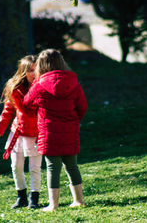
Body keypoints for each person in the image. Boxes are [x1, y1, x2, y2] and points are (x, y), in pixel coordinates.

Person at [23, 49, 87, 212]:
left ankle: (54, 204)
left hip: (49, 130)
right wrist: (73, 120)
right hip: (70, 129)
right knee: (72, 166)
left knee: (53, 167)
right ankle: (79, 200)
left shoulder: (39, 85)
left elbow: (27, 102)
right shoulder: (73, 82)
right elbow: (82, 107)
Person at [0, 55, 42, 209]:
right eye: (30, 70)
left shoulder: (43, 88)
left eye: (36, 70)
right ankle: (21, 197)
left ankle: (34, 198)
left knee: (35, 168)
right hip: (18, 133)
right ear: (23, 71)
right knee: (16, 166)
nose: (33, 74)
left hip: (36, 134)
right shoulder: (15, 89)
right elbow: (7, 111)